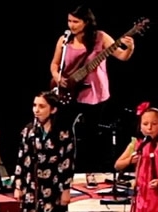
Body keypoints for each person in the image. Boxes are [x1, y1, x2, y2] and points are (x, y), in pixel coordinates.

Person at [48, 5, 134, 185]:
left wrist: (130, 49)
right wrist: (58, 78)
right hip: (70, 92)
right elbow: (54, 65)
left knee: (92, 134)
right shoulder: (64, 41)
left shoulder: (100, 38)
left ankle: (92, 172)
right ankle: (60, 168)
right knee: (60, 130)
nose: (71, 25)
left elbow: (122, 56)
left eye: (76, 22)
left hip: (95, 93)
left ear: (86, 22)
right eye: (69, 21)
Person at [13, 91, 75, 212]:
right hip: (32, 185)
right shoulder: (28, 131)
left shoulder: (64, 133)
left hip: (54, 186)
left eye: (41, 106)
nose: (36, 110)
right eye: (34, 105)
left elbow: (68, 162)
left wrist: (66, 189)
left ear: (53, 109)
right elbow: (21, 159)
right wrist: (18, 185)